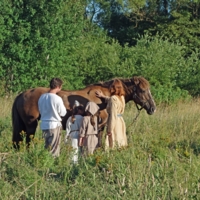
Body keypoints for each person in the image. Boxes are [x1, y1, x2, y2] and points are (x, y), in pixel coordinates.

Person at [38, 78, 67, 157]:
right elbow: (63, 113)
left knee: (46, 147)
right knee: (54, 149)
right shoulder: (57, 99)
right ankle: (52, 166)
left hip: (44, 124)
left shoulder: (42, 97)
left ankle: (45, 164)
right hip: (54, 124)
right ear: (58, 86)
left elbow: (40, 111)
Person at [95, 79, 127, 148]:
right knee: (120, 142)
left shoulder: (113, 98)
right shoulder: (121, 97)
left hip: (114, 123)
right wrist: (103, 96)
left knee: (113, 143)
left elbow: (113, 116)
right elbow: (111, 100)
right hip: (120, 121)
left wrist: (110, 129)